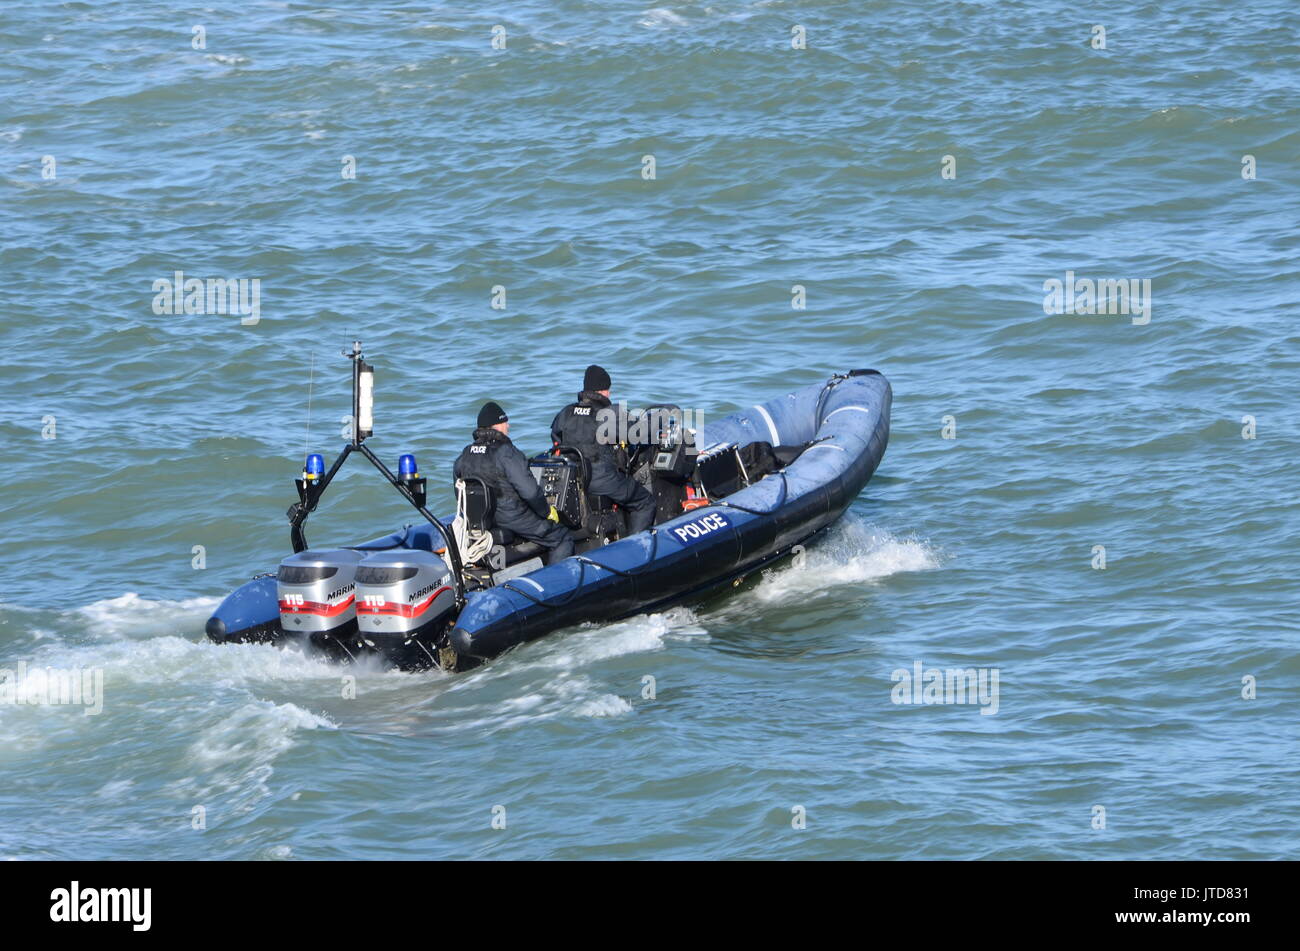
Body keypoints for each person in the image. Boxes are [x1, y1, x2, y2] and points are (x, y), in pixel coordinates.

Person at [453, 401, 575, 565]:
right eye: (505, 422)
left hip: (484, 519)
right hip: (513, 517)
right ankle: (556, 582)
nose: (508, 426)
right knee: (561, 537)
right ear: (496, 425)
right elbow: (531, 492)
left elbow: (459, 491)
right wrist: (546, 512)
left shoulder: (465, 455)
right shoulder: (506, 453)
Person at [550, 365, 656, 535]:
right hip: (602, 480)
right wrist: (657, 423)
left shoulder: (565, 413)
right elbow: (636, 433)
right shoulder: (606, 414)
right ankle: (635, 547)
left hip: (573, 481)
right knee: (645, 502)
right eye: (608, 390)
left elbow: (556, 439)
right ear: (604, 391)